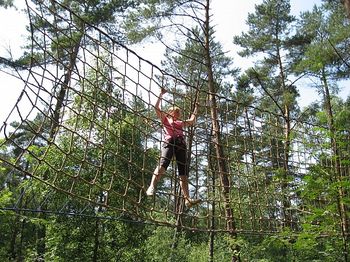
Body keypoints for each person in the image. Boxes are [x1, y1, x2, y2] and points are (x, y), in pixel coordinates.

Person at [146, 87, 201, 208]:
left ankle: (187, 199)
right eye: (175, 112)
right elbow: (156, 108)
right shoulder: (165, 120)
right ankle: (151, 186)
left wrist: (196, 108)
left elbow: (191, 121)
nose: (177, 114)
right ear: (170, 113)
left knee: (183, 174)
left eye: (178, 113)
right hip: (170, 143)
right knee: (162, 166)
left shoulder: (180, 123)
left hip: (181, 145)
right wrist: (160, 94)